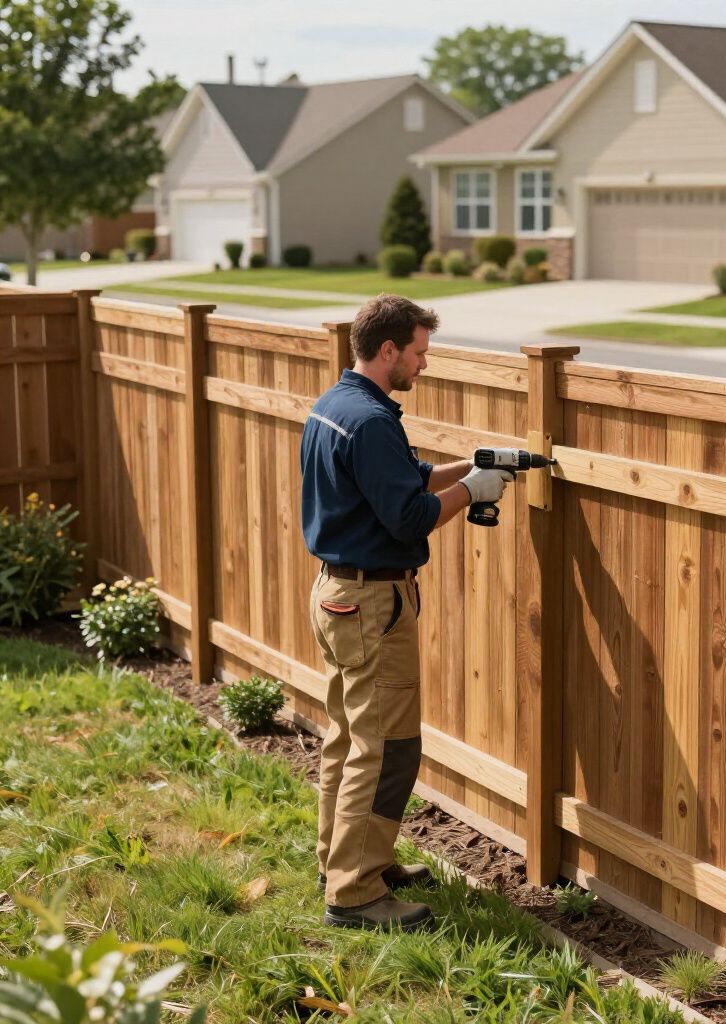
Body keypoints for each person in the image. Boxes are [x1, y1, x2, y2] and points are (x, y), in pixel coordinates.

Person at [300, 293, 512, 931]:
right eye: (419, 353)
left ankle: (346, 859)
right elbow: (410, 513)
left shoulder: (339, 406)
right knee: (387, 745)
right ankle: (356, 893)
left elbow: (398, 479)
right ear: (388, 350)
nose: (424, 365)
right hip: (371, 604)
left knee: (346, 735)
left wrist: (466, 466)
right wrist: (471, 493)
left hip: (338, 595)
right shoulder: (369, 421)